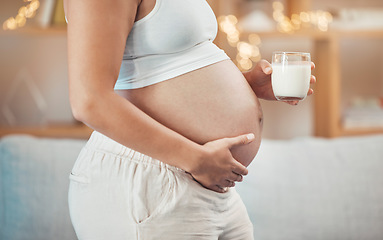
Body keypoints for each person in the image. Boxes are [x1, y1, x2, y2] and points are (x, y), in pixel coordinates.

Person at [64, 0, 316, 239]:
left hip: (205, 182)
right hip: (151, 179)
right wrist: (195, 159)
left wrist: (246, 84)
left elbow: (166, 71)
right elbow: (90, 100)